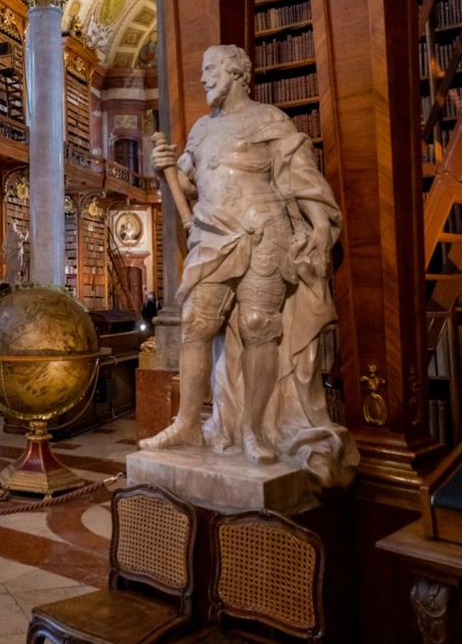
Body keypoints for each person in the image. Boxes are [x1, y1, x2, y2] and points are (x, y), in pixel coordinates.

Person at [140, 44, 358, 489]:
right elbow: (187, 181)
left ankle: (255, 430)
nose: (203, 79)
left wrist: (318, 226)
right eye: (202, 72)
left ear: (238, 72)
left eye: (210, 70)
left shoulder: (269, 120)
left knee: (260, 325)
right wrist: (164, 167)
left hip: (264, 232)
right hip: (212, 234)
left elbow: (299, 177)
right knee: (195, 324)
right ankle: (187, 423)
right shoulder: (202, 130)